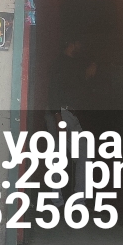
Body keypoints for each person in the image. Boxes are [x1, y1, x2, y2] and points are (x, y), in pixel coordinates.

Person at [45, 37, 97, 194]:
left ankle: (59, 200)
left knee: (59, 158)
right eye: (78, 43)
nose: (80, 47)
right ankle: (74, 200)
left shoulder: (68, 63)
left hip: (64, 114)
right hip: (62, 114)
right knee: (79, 157)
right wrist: (58, 119)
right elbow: (54, 92)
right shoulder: (62, 64)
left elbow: (75, 87)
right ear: (71, 44)